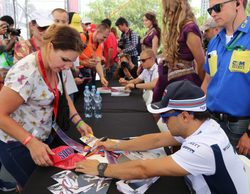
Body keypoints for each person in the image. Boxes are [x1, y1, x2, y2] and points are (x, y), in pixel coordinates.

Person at [75, 80, 249, 194]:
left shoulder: (204, 148)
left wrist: (100, 169)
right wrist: (116, 145)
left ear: (185, 116)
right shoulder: (203, 125)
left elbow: (144, 170)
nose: (163, 121)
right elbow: (158, 139)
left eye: (166, 117)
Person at [0, 24, 93, 190]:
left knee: (33, 185)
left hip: (41, 138)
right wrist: (30, 142)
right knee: (36, 187)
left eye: (71, 62)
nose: (67, 67)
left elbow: (63, 96)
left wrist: (78, 121)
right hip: (17, 145)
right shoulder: (26, 73)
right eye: (65, 60)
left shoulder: (58, 66)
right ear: (50, 47)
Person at [202, 0, 250, 157]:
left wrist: (249, 134)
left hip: (239, 129)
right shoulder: (215, 41)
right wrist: (195, 111)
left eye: (217, 7)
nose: (213, 13)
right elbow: (208, 81)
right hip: (211, 122)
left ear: (238, 3)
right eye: (210, 10)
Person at [152, 0, 205, 103]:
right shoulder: (176, 28)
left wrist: (202, 86)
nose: (166, 13)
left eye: (168, 9)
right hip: (168, 79)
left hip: (182, 84)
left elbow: (201, 62)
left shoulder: (189, 28)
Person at [79, 22, 109, 87]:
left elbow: (98, 62)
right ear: (98, 32)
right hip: (77, 74)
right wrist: (83, 63)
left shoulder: (99, 45)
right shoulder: (83, 37)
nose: (105, 40)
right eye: (104, 37)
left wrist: (102, 77)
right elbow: (71, 58)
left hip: (88, 73)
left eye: (106, 38)